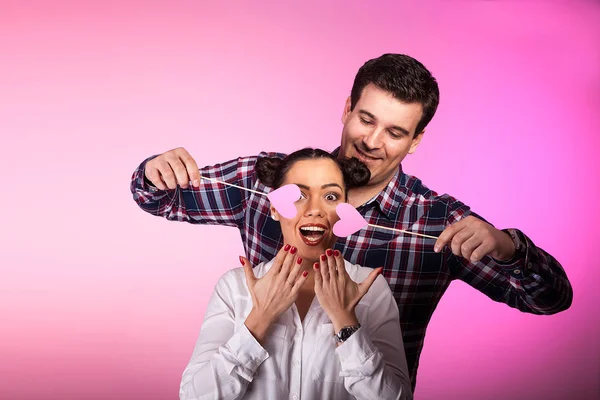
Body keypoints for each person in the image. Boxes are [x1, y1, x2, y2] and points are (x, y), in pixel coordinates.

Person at [131, 53, 573, 389]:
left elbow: (549, 300)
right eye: (366, 119)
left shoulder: (437, 221)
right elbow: (160, 198)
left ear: (416, 141)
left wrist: (511, 248)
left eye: (395, 132)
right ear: (347, 108)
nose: (371, 141)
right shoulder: (270, 180)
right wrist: (156, 169)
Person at [179, 148, 412, 400]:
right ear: (274, 209)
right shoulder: (234, 288)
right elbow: (194, 396)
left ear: (347, 209)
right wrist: (259, 319)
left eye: (330, 196)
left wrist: (345, 321)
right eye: (299, 196)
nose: (315, 210)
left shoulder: (370, 289)